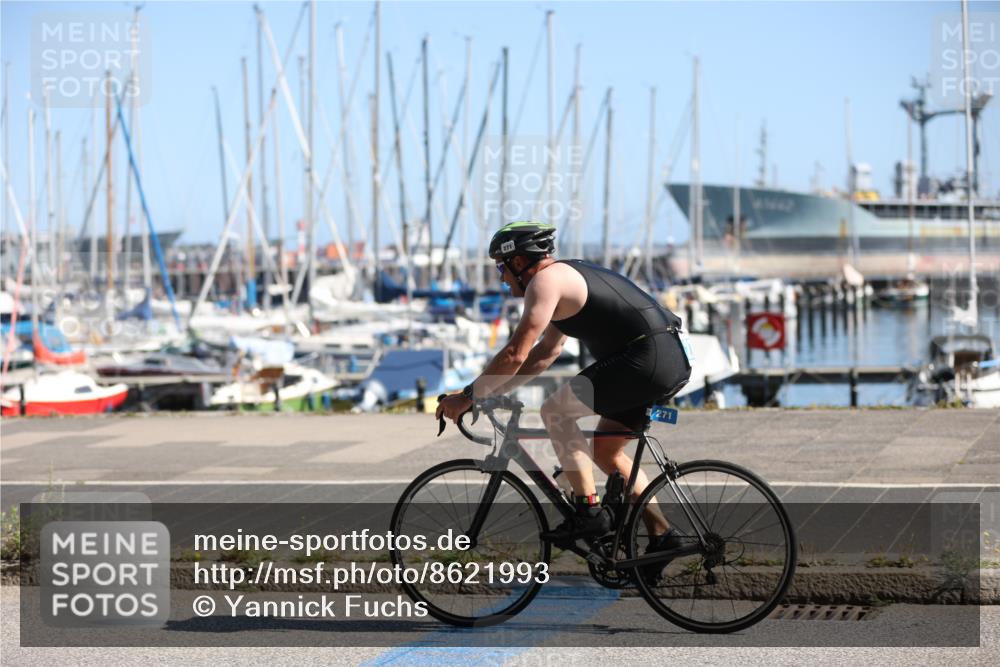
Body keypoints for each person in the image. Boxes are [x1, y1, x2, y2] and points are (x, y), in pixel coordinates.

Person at [436, 221, 692, 559]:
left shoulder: (545, 282)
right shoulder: (563, 278)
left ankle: (589, 513)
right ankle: (663, 536)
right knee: (607, 452)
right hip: (663, 358)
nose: (500, 276)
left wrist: (469, 396)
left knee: (555, 411)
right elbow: (544, 355)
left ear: (518, 262)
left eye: (501, 266)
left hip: (646, 359)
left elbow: (516, 352)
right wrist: (491, 393)